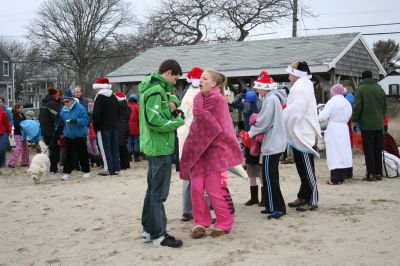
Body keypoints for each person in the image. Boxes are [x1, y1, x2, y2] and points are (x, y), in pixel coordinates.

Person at [180, 69, 243, 239]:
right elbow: (200, 122)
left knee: (216, 189)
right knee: (196, 187)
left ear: (213, 83)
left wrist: (198, 114)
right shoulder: (197, 97)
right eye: (200, 78)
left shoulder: (218, 99)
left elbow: (209, 124)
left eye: (204, 78)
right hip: (199, 147)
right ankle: (200, 222)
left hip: (216, 148)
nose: (200, 81)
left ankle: (224, 222)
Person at [139, 59, 185, 248]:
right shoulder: (157, 90)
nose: (175, 82)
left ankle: (148, 231)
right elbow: (154, 120)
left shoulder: (157, 87)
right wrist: (177, 122)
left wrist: (173, 104)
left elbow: (171, 98)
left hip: (155, 146)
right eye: (175, 78)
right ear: (168, 73)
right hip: (159, 148)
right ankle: (159, 235)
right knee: (159, 193)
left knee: (152, 191)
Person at [249, 71, 287, 219]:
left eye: (258, 87)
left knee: (269, 177)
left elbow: (264, 122)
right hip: (275, 143)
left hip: (272, 144)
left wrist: (251, 132)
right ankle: (273, 205)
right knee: (271, 176)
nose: (257, 90)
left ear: (265, 87)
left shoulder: (270, 100)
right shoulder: (274, 99)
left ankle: (275, 207)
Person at [283, 61, 321, 212]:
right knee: (301, 167)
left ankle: (312, 199)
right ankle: (303, 195)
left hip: (302, 133)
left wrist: (281, 118)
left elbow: (295, 112)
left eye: (291, 73)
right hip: (299, 131)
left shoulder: (301, 88)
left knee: (306, 168)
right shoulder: (302, 86)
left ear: (297, 74)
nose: (288, 76)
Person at [177, 67, 204, 222]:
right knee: (200, 175)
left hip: (184, 137)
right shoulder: (199, 95)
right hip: (196, 138)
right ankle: (200, 209)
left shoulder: (187, 93)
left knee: (187, 175)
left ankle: (187, 209)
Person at [352, 70, 387, 181]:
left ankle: (371, 174)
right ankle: (379, 173)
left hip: (367, 125)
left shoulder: (360, 89)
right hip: (379, 124)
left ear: (362, 78)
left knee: (369, 149)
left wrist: (354, 119)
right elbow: (385, 107)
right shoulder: (380, 89)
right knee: (378, 149)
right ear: (372, 77)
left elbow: (358, 106)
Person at [232, 90, 265, 206]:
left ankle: (254, 198)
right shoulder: (260, 105)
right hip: (260, 139)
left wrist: (241, 94)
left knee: (251, 170)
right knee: (260, 169)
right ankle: (263, 199)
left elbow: (235, 102)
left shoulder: (245, 106)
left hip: (248, 139)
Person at [319, 83, 353, 185]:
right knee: (342, 152)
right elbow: (350, 115)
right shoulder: (346, 102)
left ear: (333, 92)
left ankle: (335, 178)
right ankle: (342, 176)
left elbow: (322, 117)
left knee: (334, 153)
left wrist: (316, 118)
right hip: (343, 128)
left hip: (333, 128)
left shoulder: (331, 102)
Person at [59, 90, 91, 180]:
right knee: (68, 154)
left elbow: (86, 120)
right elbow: (61, 119)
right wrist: (58, 123)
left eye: (67, 101)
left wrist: (76, 121)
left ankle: (86, 171)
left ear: (72, 100)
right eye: (64, 102)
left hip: (79, 135)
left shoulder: (80, 108)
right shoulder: (64, 109)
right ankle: (66, 173)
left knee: (82, 154)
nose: (65, 103)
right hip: (68, 135)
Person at [92, 78, 120, 176]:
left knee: (105, 149)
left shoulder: (99, 97)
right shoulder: (113, 96)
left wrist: (96, 125)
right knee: (114, 148)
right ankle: (116, 168)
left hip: (103, 127)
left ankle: (108, 168)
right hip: (115, 126)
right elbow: (118, 111)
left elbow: (96, 115)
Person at [39, 85, 62, 174]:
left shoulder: (44, 104)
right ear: (54, 95)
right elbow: (56, 118)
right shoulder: (52, 104)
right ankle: (53, 169)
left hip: (45, 130)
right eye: (58, 95)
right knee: (54, 150)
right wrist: (60, 131)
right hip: (52, 131)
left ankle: (50, 168)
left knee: (48, 150)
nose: (59, 97)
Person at [8, 103, 29, 168]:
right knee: (18, 148)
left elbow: (25, 122)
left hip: (23, 134)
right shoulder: (14, 115)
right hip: (18, 134)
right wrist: (24, 125)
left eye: (22, 108)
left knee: (25, 148)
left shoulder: (22, 115)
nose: (21, 109)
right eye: (20, 108)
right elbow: (18, 124)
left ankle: (24, 162)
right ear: (16, 108)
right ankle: (12, 162)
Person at [115, 92, 131, 170]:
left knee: (120, 147)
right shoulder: (127, 107)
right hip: (126, 128)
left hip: (119, 127)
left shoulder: (117, 106)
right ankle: (126, 164)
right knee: (124, 146)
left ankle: (123, 165)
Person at [127, 94, 140, 162]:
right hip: (136, 127)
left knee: (129, 142)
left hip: (128, 127)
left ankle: (128, 157)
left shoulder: (127, 106)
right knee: (136, 142)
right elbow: (139, 118)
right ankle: (136, 157)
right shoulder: (137, 107)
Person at [0, 106, 11, 173]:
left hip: (2, 133)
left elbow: (6, 122)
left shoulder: (2, 112)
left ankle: (0, 165)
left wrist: (9, 131)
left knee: (2, 149)